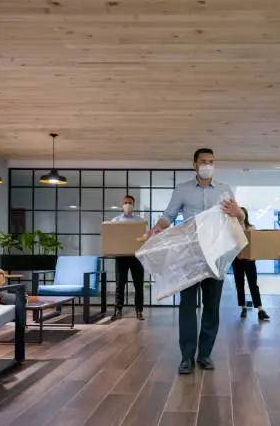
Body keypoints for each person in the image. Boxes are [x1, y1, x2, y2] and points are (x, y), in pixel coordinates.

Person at [149, 148, 244, 375]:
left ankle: (205, 355)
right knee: (187, 306)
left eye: (211, 161)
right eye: (203, 161)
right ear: (194, 164)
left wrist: (239, 212)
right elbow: (168, 216)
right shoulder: (182, 190)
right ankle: (186, 357)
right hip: (190, 256)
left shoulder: (224, 189)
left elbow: (237, 218)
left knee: (212, 307)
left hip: (216, 256)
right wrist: (157, 227)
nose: (207, 165)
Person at [232, 207, 270, 321]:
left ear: (245, 215)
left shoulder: (251, 228)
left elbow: (256, 245)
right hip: (237, 260)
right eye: (239, 214)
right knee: (240, 284)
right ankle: (243, 307)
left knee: (253, 284)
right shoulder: (233, 229)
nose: (240, 216)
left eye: (242, 214)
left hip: (249, 261)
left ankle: (260, 309)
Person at [112, 195, 145, 321]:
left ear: (134, 205)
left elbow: (144, 238)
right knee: (120, 284)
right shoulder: (115, 221)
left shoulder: (139, 221)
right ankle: (118, 310)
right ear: (122, 204)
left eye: (130, 203)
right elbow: (112, 238)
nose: (127, 205)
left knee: (139, 285)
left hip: (136, 256)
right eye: (125, 203)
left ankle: (139, 311)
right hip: (121, 257)